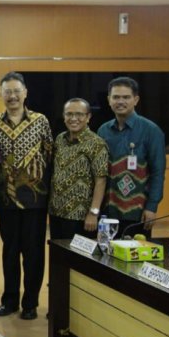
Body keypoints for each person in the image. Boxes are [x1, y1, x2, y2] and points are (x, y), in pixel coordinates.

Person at [0, 71, 52, 321]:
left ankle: (30, 303)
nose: (12, 96)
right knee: (10, 251)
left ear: (25, 93)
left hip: (35, 200)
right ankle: (10, 300)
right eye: (8, 92)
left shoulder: (40, 121)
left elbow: (49, 155)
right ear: (1, 94)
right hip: (5, 199)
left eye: (17, 91)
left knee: (33, 253)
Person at [97, 77, 166, 239]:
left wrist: (152, 207)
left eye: (126, 97)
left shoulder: (151, 130)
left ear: (136, 100)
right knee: (106, 253)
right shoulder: (103, 130)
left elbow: (157, 173)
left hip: (137, 212)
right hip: (107, 211)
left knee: (135, 254)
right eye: (116, 97)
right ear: (109, 100)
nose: (120, 101)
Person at [49, 98, 108, 240]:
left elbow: (101, 181)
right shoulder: (60, 139)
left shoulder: (96, 143)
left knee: (77, 255)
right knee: (57, 252)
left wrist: (93, 213)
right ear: (64, 116)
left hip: (81, 217)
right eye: (69, 114)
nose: (73, 118)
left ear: (88, 117)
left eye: (79, 114)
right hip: (56, 213)